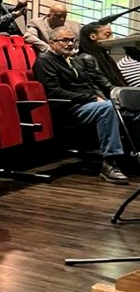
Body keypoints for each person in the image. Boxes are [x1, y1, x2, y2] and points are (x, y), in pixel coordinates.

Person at [34, 26, 131, 184]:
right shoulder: (45, 60)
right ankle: (110, 164)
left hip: (87, 104)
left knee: (131, 110)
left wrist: (102, 97)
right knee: (107, 109)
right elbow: (54, 92)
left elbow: (89, 83)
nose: (70, 44)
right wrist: (91, 98)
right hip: (68, 108)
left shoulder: (73, 60)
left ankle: (132, 156)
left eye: (72, 40)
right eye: (65, 40)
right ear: (51, 43)